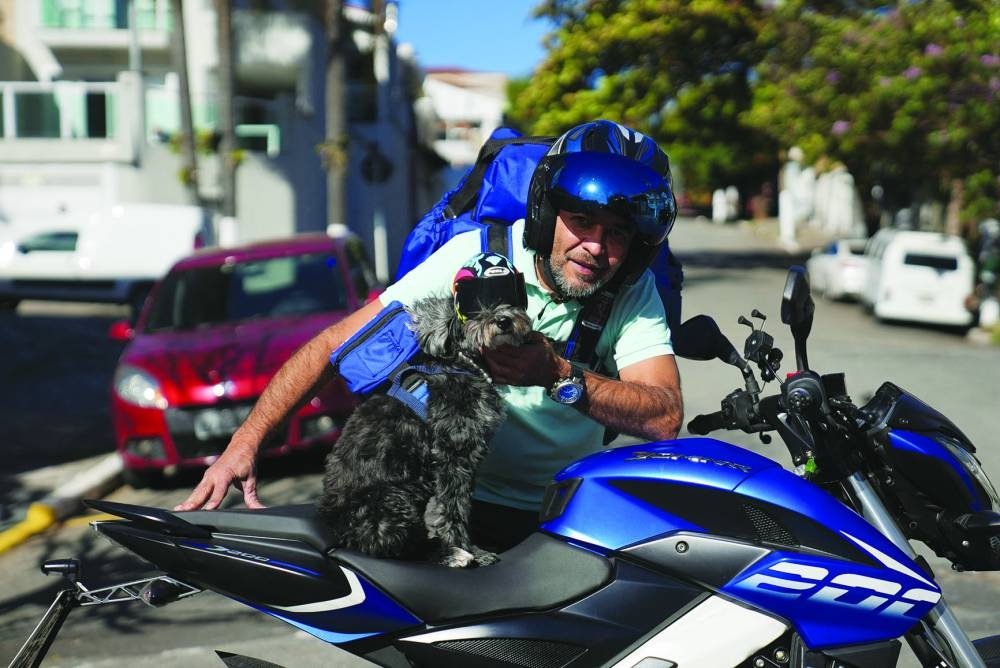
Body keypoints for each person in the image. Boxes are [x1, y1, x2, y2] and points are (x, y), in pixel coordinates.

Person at [175, 120, 684, 552]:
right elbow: (333, 345)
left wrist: (557, 375)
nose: (595, 246)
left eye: (617, 233)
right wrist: (244, 443)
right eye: (581, 220)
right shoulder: (472, 257)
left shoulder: (631, 293)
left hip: (564, 512)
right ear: (547, 213)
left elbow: (664, 415)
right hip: (445, 499)